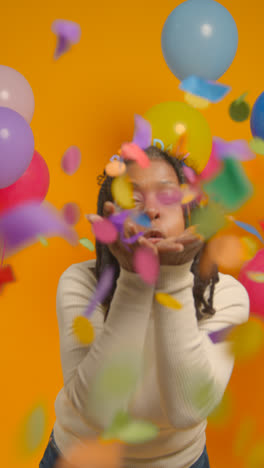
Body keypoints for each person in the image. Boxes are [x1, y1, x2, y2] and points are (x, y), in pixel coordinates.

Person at [39, 145, 249, 468]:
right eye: (132, 200)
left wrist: (173, 275)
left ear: (188, 214)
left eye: (167, 197)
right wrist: (135, 276)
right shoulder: (80, 284)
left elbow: (187, 409)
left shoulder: (224, 295)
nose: (150, 210)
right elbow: (100, 411)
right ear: (110, 218)